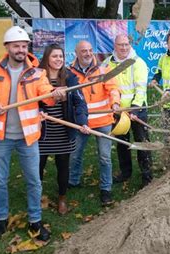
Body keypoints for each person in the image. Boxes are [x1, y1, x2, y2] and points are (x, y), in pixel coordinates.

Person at [0, 26, 64, 240]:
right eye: (16, 46)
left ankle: (35, 222)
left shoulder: (37, 73)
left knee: (34, 181)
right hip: (1, 137)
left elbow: (46, 96)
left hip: (28, 138)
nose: (21, 50)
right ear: (7, 47)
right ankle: (1, 219)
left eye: (24, 46)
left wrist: (56, 94)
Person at [38, 44, 89, 215]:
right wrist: (38, 112)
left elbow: (80, 102)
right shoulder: (37, 76)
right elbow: (30, 101)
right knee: (37, 167)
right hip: (42, 131)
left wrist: (82, 122)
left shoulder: (70, 78)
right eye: (54, 56)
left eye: (60, 56)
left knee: (63, 167)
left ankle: (62, 198)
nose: (58, 59)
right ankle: (36, 197)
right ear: (47, 58)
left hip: (63, 131)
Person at [68, 40, 120, 206]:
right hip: (80, 122)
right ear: (77, 53)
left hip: (103, 120)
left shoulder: (103, 69)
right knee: (75, 154)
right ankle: (73, 181)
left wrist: (116, 103)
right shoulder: (70, 73)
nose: (88, 53)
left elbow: (113, 89)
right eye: (84, 51)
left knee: (105, 157)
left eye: (90, 50)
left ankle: (106, 189)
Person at [103, 34, 153, 187]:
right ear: (115, 46)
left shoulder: (138, 63)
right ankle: (125, 172)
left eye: (126, 45)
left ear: (130, 45)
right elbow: (107, 87)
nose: (124, 48)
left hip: (137, 110)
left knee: (142, 143)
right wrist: (114, 106)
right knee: (122, 143)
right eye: (120, 45)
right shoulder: (108, 64)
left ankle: (147, 176)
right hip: (118, 111)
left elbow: (140, 89)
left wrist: (135, 108)